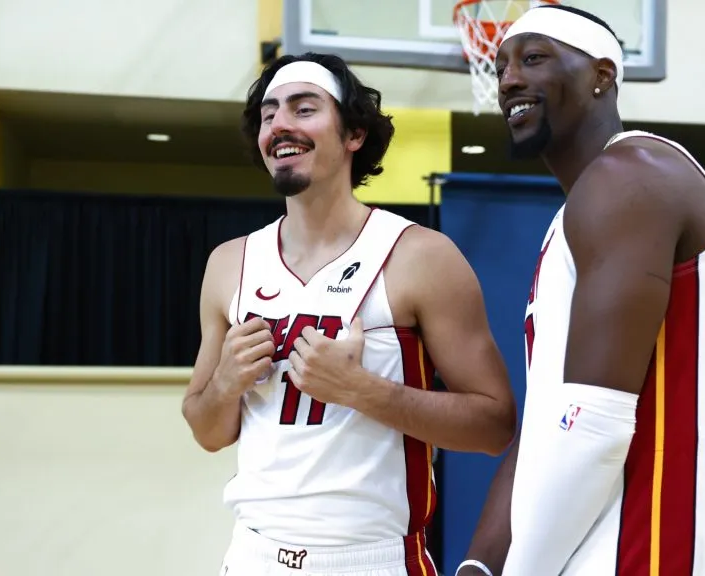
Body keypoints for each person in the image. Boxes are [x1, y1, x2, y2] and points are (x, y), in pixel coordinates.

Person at [181, 52, 517, 576]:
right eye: (269, 114)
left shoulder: (420, 255)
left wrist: (361, 390)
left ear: (354, 135)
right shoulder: (229, 263)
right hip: (251, 558)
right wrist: (224, 384)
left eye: (304, 108)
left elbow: (495, 425)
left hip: (372, 559)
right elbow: (206, 430)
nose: (280, 125)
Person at [455, 5, 705, 576]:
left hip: (656, 552)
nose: (509, 79)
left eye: (534, 58)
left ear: (602, 76)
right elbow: (552, 425)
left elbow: (592, 424)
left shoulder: (631, 177)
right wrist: (480, 565)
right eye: (499, 67)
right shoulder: (584, 207)